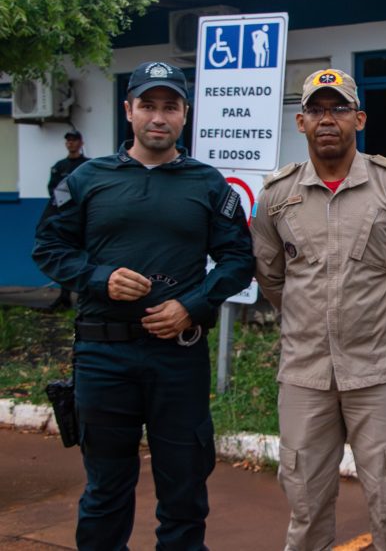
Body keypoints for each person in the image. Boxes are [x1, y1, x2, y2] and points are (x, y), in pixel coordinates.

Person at [32, 61, 255, 550]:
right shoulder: (88, 179)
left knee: (184, 490)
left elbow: (239, 259)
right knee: (106, 491)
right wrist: (100, 278)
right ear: (128, 110)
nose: (159, 117)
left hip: (178, 357)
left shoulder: (209, 184)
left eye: (170, 106)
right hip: (103, 357)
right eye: (148, 105)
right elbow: (49, 249)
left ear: (185, 115)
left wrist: (193, 306)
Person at [250, 68, 386, 551]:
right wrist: (307, 317)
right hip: (304, 375)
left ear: (358, 118)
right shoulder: (276, 196)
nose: (327, 119)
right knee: (306, 510)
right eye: (316, 109)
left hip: (377, 373)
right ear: (300, 122)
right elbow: (272, 277)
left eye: (338, 108)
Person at [40, 130, 90, 309]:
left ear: (81, 142)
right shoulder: (59, 166)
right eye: (68, 140)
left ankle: (85, 296)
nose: (71, 143)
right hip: (64, 219)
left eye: (74, 140)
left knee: (87, 255)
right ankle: (64, 296)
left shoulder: (89, 166)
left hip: (84, 219)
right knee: (66, 255)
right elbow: (53, 191)